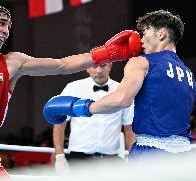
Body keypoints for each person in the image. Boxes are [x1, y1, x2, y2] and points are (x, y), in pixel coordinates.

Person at [0, 4, 141, 180]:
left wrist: (105, 54)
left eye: (8, 26)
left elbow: (61, 65)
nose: (6, 31)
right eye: (1, 23)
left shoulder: (11, 64)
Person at [43, 9, 195, 160]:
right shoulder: (188, 74)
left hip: (151, 152)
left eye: (146, 32)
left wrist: (81, 107)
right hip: (182, 155)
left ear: (161, 34)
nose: (141, 39)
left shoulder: (143, 61)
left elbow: (121, 99)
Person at [53, 63, 136, 174]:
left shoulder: (122, 91)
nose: (99, 71)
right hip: (79, 160)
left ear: (110, 66)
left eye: (103, 66)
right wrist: (59, 155)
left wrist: (133, 159)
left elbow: (129, 128)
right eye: (94, 66)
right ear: (87, 67)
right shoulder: (74, 88)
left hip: (111, 161)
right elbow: (60, 122)